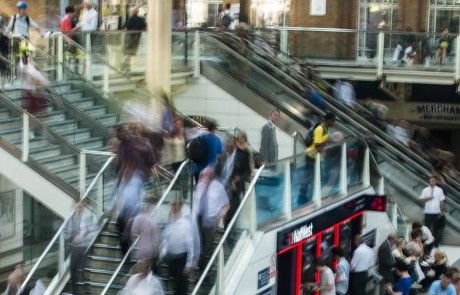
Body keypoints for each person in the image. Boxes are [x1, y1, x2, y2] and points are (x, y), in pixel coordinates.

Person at [193, 167, 229, 271]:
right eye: (204, 175)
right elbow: (196, 203)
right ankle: (201, 269)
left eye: (208, 176)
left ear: (212, 176)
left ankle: (206, 272)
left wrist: (219, 217)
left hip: (212, 220)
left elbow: (226, 205)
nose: (205, 178)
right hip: (199, 219)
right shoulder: (199, 186)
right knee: (200, 246)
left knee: (208, 248)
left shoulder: (219, 187)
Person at [64, 199, 97, 295]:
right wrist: (69, 239)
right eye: (77, 205)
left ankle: (86, 291)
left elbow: (94, 231)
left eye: (80, 205)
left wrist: (84, 235)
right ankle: (75, 292)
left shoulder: (89, 216)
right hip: (74, 248)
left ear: (83, 205)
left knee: (83, 270)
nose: (78, 207)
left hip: (84, 247)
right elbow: (65, 231)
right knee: (73, 270)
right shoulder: (71, 217)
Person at [163, 199, 195, 295]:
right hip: (171, 258)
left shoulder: (185, 224)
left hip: (181, 259)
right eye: (172, 205)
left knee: (181, 285)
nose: (173, 208)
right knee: (174, 283)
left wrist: (188, 264)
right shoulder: (170, 222)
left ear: (180, 207)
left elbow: (190, 245)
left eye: (175, 206)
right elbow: (165, 238)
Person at [224, 130, 252, 228]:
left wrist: (239, 178)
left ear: (244, 139)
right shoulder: (233, 150)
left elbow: (248, 171)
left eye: (242, 138)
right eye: (239, 138)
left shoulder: (245, 153)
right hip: (229, 181)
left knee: (233, 207)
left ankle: (229, 228)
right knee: (228, 207)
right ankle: (228, 227)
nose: (240, 140)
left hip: (237, 184)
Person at [420, 175, 446, 247]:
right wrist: (429, 198)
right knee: (426, 228)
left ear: (436, 181)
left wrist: (442, 211)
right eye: (431, 180)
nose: (432, 182)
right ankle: (427, 243)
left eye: (434, 181)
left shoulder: (439, 190)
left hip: (436, 212)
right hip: (428, 212)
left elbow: (442, 201)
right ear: (429, 181)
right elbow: (422, 200)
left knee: (436, 229)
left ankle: (435, 244)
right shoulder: (425, 190)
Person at [122, 6, 146, 73]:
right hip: (137, 38)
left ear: (132, 12)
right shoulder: (141, 20)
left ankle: (126, 67)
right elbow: (144, 28)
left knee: (127, 53)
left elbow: (125, 29)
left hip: (129, 38)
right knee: (131, 53)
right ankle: (127, 67)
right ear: (137, 12)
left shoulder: (129, 19)